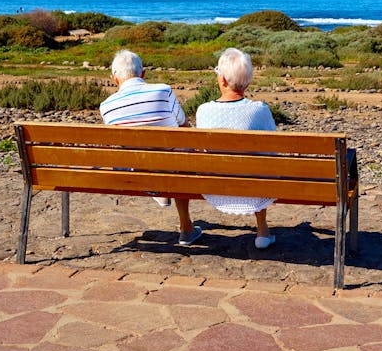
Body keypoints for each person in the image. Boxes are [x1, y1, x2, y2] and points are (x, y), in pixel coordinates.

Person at [99, 49, 202, 245]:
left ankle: (159, 191)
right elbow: (184, 126)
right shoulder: (163, 91)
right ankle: (186, 227)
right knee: (182, 152)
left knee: (141, 155)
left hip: (135, 172)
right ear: (143, 74)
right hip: (171, 167)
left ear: (114, 78)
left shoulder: (107, 106)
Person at [196, 48, 278, 249]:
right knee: (261, 164)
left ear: (222, 80)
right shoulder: (259, 110)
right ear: (248, 81)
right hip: (253, 186)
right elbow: (272, 149)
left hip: (216, 186)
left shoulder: (203, 110)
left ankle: (185, 226)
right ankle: (262, 230)